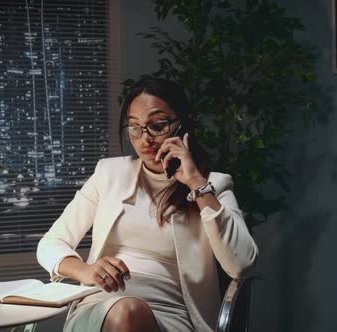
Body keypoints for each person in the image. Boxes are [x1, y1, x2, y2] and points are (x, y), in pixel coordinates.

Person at [37, 77, 258, 332]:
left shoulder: (213, 185)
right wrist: (85, 270)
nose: (145, 139)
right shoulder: (109, 173)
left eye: (157, 125)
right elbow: (50, 243)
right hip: (101, 304)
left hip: (171, 313)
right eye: (134, 128)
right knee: (126, 311)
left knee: (130, 312)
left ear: (181, 125)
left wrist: (196, 183)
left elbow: (242, 264)